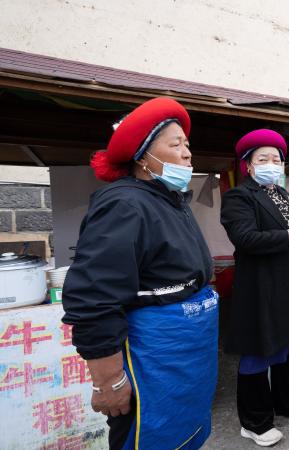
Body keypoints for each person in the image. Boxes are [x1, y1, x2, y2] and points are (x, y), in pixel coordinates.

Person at [62, 97, 217, 450]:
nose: (187, 153)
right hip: (152, 355)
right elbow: (94, 297)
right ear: (143, 156)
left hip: (186, 350)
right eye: (175, 145)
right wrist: (109, 380)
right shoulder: (125, 203)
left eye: (187, 144)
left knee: (185, 431)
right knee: (148, 434)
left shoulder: (170, 200)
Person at [220, 129, 289, 447]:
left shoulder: (281, 194)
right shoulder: (239, 197)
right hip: (262, 286)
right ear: (248, 165)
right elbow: (246, 239)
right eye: (263, 159)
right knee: (259, 351)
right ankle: (255, 421)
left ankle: (288, 401)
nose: (271, 165)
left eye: (276, 160)